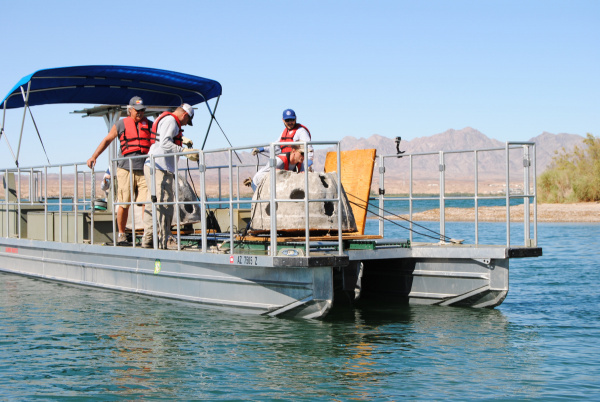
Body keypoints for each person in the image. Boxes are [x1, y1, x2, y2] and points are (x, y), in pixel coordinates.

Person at [87, 96, 158, 245]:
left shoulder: (150, 125)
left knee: (147, 202)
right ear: (130, 110)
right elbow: (107, 140)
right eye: (137, 111)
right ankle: (121, 234)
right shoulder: (121, 124)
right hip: (125, 169)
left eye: (143, 110)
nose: (140, 113)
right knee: (124, 203)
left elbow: (158, 144)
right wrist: (94, 156)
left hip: (144, 168)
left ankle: (148, 234)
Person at [142, 104, 197, 249]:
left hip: (153, 165)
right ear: (185, 115)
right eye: (187, 121)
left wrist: (182, 139)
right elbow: (165, 142)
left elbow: (165, 138)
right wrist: (184, 151)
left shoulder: (167, 121)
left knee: (152, 202)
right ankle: (165, 239)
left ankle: (148, 238)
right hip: (160, 167)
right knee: (165, 203)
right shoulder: (172, 121)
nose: (185, 124)